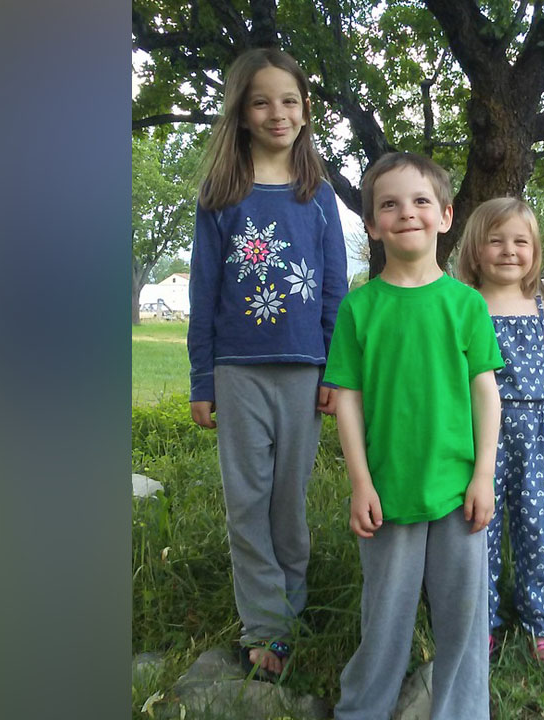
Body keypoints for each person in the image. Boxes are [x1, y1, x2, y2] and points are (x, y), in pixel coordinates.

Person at [185, 47, 348, 680]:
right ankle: (266, 626)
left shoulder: (319, 195)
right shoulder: (221, 195)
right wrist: (203, 378)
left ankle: (293, 604)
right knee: (245, 501)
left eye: (289, 100)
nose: (277, 112)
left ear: (305, 111)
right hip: (237, 369)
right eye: (262, 101)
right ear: (242, 113)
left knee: (288, 501)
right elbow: (203, 293)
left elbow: (334, 290)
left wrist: (335, 370)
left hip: (305, 370)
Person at [324, 152, 502, 720]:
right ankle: (364, 709)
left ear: (446, 215)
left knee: (464, 622)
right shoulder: (359, 309)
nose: (408, 213)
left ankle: (463, 711)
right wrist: (359, 482)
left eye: (422, 201)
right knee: (385, 621)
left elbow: (485, 394)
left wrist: (483, 476)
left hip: (458, 491)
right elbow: (345, 400)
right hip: (388, 493)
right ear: (372, 225)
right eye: (390, 205)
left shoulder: (466, 304)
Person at [454, 198, 544, 661]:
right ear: (475, 250)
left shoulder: (543, 311)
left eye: (521, 241)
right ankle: (480, 620)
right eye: (496, 240)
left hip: (533, 436)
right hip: (476, 438)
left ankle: (539, 617)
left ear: (535, 251)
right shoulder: (465, 306)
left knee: (533, 529)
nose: (509, 250)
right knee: (477, 529)